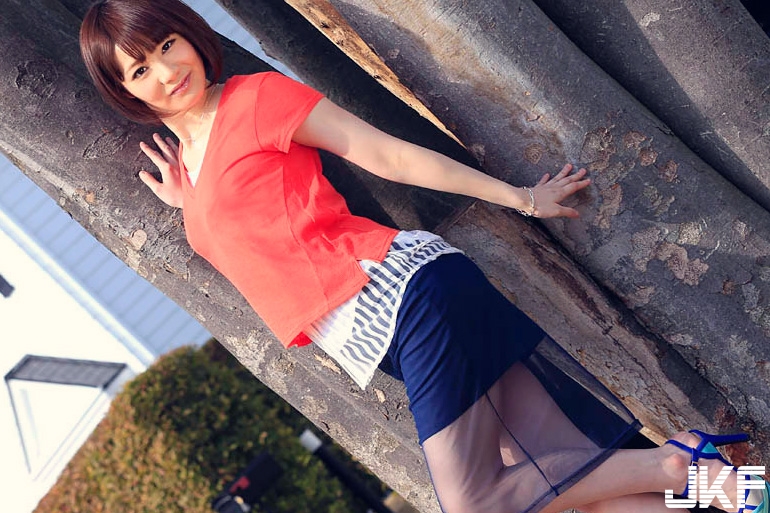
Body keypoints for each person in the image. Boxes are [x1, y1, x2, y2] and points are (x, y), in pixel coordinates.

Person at [79, 1, 768, 512]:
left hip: (404, 297)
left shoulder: (257, 99)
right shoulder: (190, 173)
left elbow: (388, 155)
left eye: (167, 44)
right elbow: (247, 228)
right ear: (123, 90)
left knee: (477, 503)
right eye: (140, 68)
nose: (166, 70)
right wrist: (193, 204)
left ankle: (675, 466)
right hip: (383, 334)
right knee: (574, 477)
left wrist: (522, 199)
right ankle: (743, 492)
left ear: (189, 34)